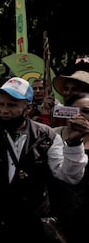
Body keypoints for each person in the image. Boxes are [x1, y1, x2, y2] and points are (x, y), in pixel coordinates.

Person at [0, 77, 88, 243]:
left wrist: (74, 144)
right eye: (1, 104)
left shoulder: (47, 136)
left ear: (28, 108)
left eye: (11, 105)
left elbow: (69, 176)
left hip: (31, 222)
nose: (4, 110)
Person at [51, 93, 89, 242]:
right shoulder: (51, 137)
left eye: (86, 111)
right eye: (73, 111)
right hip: (58, 217)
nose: (79, 116)